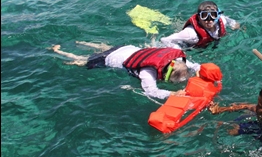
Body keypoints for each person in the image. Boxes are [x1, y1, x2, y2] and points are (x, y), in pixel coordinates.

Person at [50, 41, 200, 99]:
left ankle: (81, 42)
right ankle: (58, 51)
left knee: (103, 47)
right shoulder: (148, 72)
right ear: (167, 76)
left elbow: (192, 65)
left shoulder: (174, 60)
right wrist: (173, 93)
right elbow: (151, 91)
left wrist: (198, 70)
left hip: (126, 48)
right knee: (81, 61)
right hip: (109, 59)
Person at [160, 1, 240, 50]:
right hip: (188, 44)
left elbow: (229, 20)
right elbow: (165, 40)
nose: (209, 20)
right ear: (198, 17)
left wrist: (235, 25)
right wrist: (179, 51)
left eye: (213, 15)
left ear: (217, 16)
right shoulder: (190, 33)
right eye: (204, 15)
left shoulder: (222, 20)